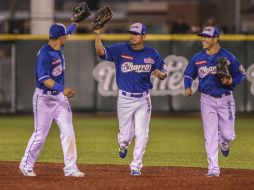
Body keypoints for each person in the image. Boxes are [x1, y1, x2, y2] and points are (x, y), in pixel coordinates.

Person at [94, 23, 167, 175]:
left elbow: (163, 68)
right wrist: (97, 35)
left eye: (135, 33)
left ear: (144, 36)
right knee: (126, 136)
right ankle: (123, 144)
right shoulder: (121, 49)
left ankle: (136, 166)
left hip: (143, 99)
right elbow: (101, 52)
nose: (132, 35)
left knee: (142, 134)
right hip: (125, 99)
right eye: (131, 33)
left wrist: (162, 74)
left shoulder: (151, 53)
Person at [19, 22, 84, 177]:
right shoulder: (45, 54)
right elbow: (45, 79)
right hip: (43, 99)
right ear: (59, 38)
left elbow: (67, 32)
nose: (67, 38)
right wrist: (63, 89)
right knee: (40, 134)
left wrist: (74, 22)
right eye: (64, 37)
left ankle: (70, 168)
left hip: (59, 99)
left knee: (68, 130)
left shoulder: (58, 46)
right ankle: (26, 164)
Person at [184, 26, 246, 177]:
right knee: (210, 134)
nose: (203, 39)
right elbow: (188, 74)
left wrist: (231, 80)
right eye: (202, 36)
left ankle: (224, 142)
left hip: (225, 99)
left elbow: (241, 73)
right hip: (207, 100)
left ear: (216, 38)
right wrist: (187, 86)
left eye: (207, 36)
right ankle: (213, 168)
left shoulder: (228, 56)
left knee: (228, 135)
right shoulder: (198, 58)